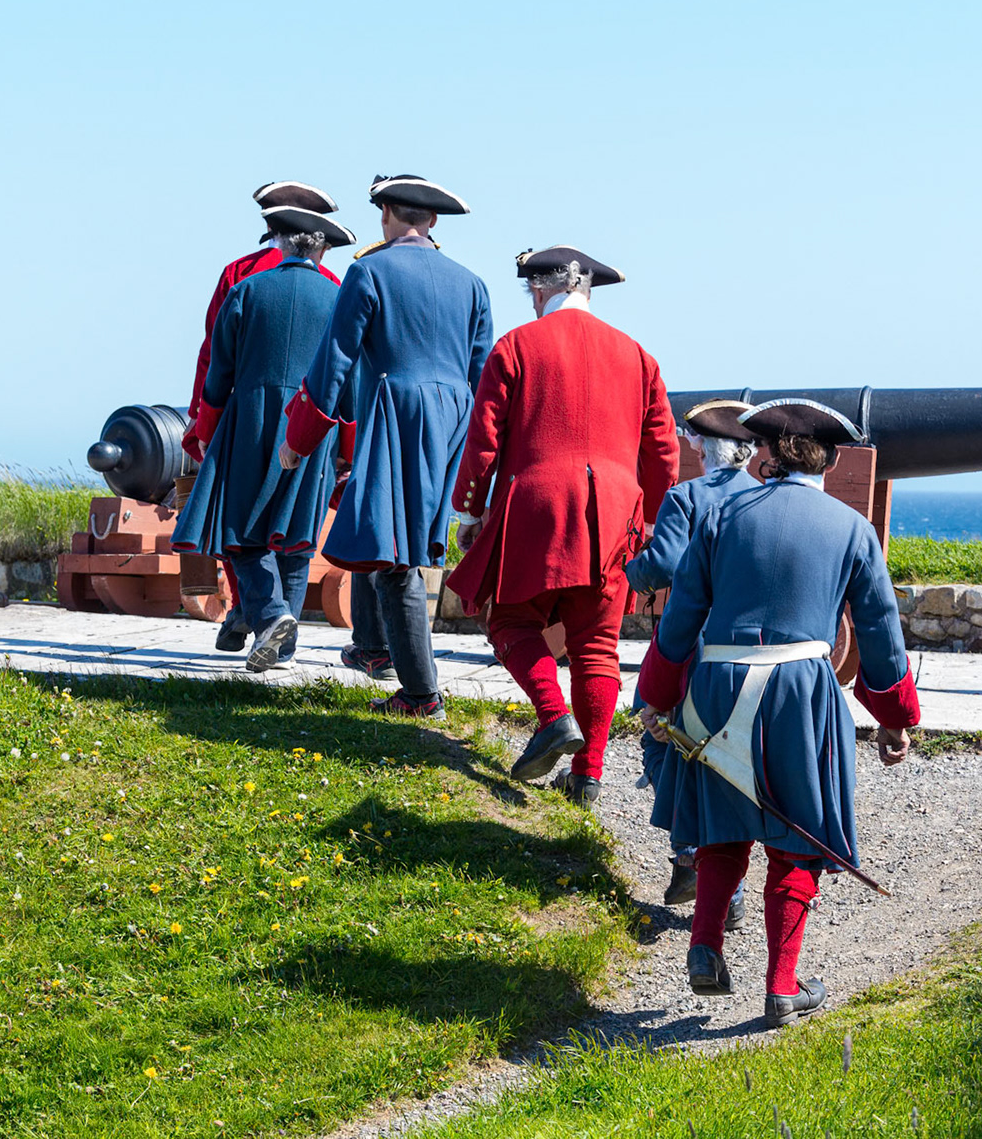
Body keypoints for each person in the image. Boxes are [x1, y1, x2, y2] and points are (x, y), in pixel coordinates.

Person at [636, 398, 920, 1029]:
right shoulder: (853, 529)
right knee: (797, 840)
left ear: (767, 454)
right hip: (801, 694)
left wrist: (657, 694)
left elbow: (681, 616)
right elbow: (880, 630)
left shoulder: (722, 515)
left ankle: (705, 943)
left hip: (716, 682)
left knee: (722, 821)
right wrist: (894, 716)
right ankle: (782, 987)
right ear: (830, 460)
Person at [444, 244, 678, 803]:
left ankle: (553, 717)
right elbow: (663, 453)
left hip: (537, 506)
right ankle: (588, 774)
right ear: (586, 290)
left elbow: (484, 440)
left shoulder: (516, 345)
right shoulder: (639, 356)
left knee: (510, 621)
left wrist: (470, 511)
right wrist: (649, 523)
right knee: (597, 646)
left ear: (538, 289)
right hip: (616, 517)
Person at [281, 175, 493, 719]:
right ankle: (376, 651)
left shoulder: (369, 271)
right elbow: (482, 377)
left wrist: (299, 439)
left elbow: (334, 362)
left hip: (400, 414)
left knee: (396, 555)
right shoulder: (472, 283)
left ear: (385, 214)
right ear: (433, 221)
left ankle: (421, 695)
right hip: (455, 421)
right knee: (389, 540)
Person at [174, 206, 359, 670]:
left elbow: (218, 374)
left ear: (279, 242)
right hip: (313, 425)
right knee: (296, 537)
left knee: (240, 533)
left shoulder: (246, 289)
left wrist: (206, 431)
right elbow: (350, 383)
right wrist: (347, 448)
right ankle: (284, 650)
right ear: (323, 250)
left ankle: (274, 616)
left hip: (250, 422)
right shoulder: (340, 298)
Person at [625, 401, 762, 908]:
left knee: (660, 738)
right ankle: (730, 887)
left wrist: (631, 572)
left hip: (691, 649)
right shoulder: (765, 497)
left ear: (701, 448)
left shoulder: (685, 497)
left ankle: (688, 854)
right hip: (749, 650)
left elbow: (665, 564)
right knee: (732, 758)